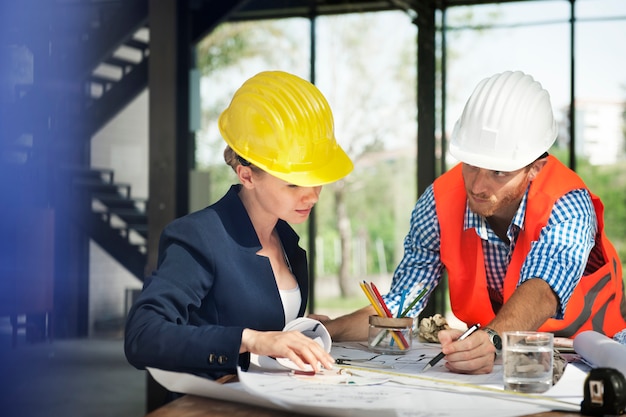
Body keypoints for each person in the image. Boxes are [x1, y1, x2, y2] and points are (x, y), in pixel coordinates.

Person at [317, 70, 626, 375]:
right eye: (471, 165)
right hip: (496, 366)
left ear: (535, 167)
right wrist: (328, 330)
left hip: (595, 362)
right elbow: (399, 305)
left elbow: (543, 289)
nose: (477, 185)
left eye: (498, 172)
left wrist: (492, 340)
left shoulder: (568, 202)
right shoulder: (438, 202)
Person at [124, 70, 353, 380]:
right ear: (246, 175)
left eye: (317, 181)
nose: (312, 195)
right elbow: (142, 336)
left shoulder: (286, 240)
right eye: (293, 184)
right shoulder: (200, 236)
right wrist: (252, 339)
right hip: (215, 406)